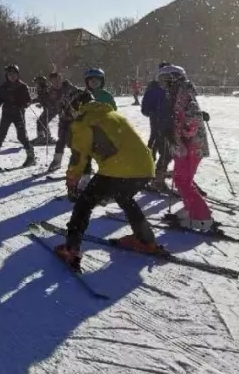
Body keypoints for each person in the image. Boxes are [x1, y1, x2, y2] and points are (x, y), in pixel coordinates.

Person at [54, 89, 161, 269]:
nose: (69, 113)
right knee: (124, 198)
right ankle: (146, 240)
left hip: (118, 169)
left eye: (69, 109)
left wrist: (72, 178)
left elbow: (79, 156)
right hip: (145, 167)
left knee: (84, 204)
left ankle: (71, 248)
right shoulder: (111, 113)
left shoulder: (82, 122)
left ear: (75, 106)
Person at [165, 65, 215, 231]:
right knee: (182, 179)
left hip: (189, 147)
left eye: (167, 80)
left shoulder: (183, 95)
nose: (165, 84)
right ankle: (191, 209)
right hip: (185, 146)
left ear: (175, 79)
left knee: (183, 181)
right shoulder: (179, 94)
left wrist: (182, 133)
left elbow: (190, 118)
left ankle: (202, 216)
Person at [0, 65, 35, 168]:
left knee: (21, 136)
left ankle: (31, 156)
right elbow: (0, 97)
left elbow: (28, 101)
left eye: (14, 74)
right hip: (6, 113)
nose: (12, 76)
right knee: (1, 134)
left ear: (18, 74)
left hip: (18, 114)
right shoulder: (3, 86)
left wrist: (23, 104)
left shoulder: (22, 86)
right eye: (9, 74)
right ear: (6, 75)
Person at [44, 71, 80, 172]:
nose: (56, 83)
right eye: (53, 82)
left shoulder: (70, 88)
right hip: (63, 119)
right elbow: (50, 103)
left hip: (74, 119)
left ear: (61, 79)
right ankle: (56, 161)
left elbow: (81, 97)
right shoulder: (51, 91)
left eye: (57, 80)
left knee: (73, 141)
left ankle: (78, 162)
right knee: (61, 140)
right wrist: (45, 103)